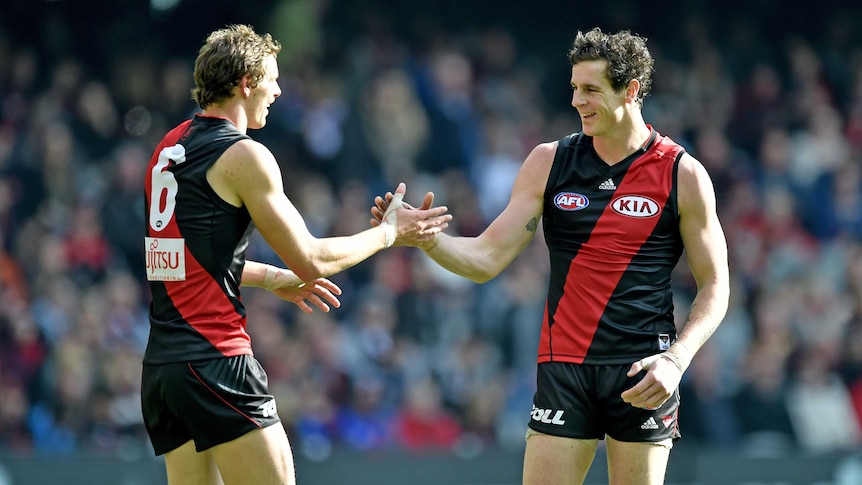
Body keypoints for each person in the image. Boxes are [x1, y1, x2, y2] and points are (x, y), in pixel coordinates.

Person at [372, 27, 730, 485]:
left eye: (591, 90)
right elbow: (485, 258)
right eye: (574, 89)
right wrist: (424, 239)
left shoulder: (683, 174)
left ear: (632, 90)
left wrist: (677, 360)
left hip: (643, 372)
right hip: (565, 371)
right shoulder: (550, 162)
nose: (578, 101)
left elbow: (716, 286)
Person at [141, 24, 451, 485]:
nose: (278, 90)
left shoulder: (168, 147)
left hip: (163, 371)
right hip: (215, 359)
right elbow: (313, 259)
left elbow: (176, 260)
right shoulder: (244, 154)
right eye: (272, 78)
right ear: (246, 82)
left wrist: (270, 278)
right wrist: (389, 234)